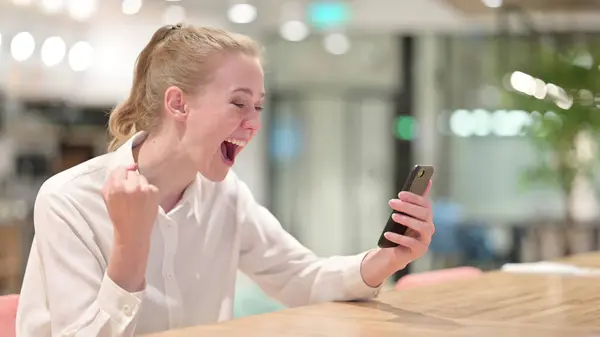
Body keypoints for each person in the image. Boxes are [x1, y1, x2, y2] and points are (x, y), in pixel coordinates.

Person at [16, 24, 435, 337]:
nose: (252, 124)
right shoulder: (68, 200)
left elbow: (299, 277)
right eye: (238, 103)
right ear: (178, 103)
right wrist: (130, 246)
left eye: (258, 106)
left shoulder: (225, 195)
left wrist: (386, 259)